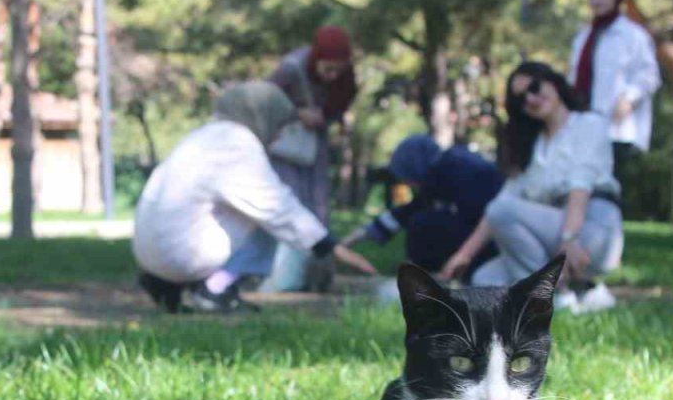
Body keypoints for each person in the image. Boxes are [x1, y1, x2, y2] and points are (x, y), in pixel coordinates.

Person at [132, 82, 376, 314]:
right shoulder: (236, 145)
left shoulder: (204, 137)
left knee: (233, 206)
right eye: (280, 126)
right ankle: (215, 288)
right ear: (261, 116)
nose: (279, 135)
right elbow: (277, 207)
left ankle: (169, 284)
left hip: (150, 256)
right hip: (179, 256)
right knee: (263, 215)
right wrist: (329, 247)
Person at [441, 62, 624, 312]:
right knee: (484, 279)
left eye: (535, 87)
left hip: (591, 231)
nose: (531, 98)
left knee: (504, 213)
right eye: (521, 99)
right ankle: (585, 292)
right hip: (553, 234)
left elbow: (580, 187)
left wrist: (569, 239)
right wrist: (464, 255)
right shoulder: (532, 146)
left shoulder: (588, 124)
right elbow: (499, 206)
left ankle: (550, 297)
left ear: (553, 82)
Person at [258, 26, 360, 293]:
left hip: (315, 150)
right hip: (286, 149)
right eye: (328, 69)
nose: (333, 75)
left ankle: (317, 278)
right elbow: (264, 101)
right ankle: (280, 279)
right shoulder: (291, 68)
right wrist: (298, 113)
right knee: (289, 208)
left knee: (318, 212)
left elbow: (341, 103)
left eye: (338, 70)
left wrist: (327, 116)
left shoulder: (345, 76)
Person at [341, 134, 503, 283]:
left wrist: (462, 256)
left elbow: (480, 216)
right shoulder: (441, 171)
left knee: (422, 224)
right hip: (487, 233)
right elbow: (404, 213)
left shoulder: (458, 171)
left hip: (492, 241)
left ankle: (425, 276)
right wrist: (348, 241)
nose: (406, 182)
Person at [568, 0, 660, 193]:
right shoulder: (583, 37)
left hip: (615, 128)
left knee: (608, 189)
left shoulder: (634, 36)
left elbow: (649, 76)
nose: (596, 0)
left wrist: (629, 98)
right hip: (581, 123)